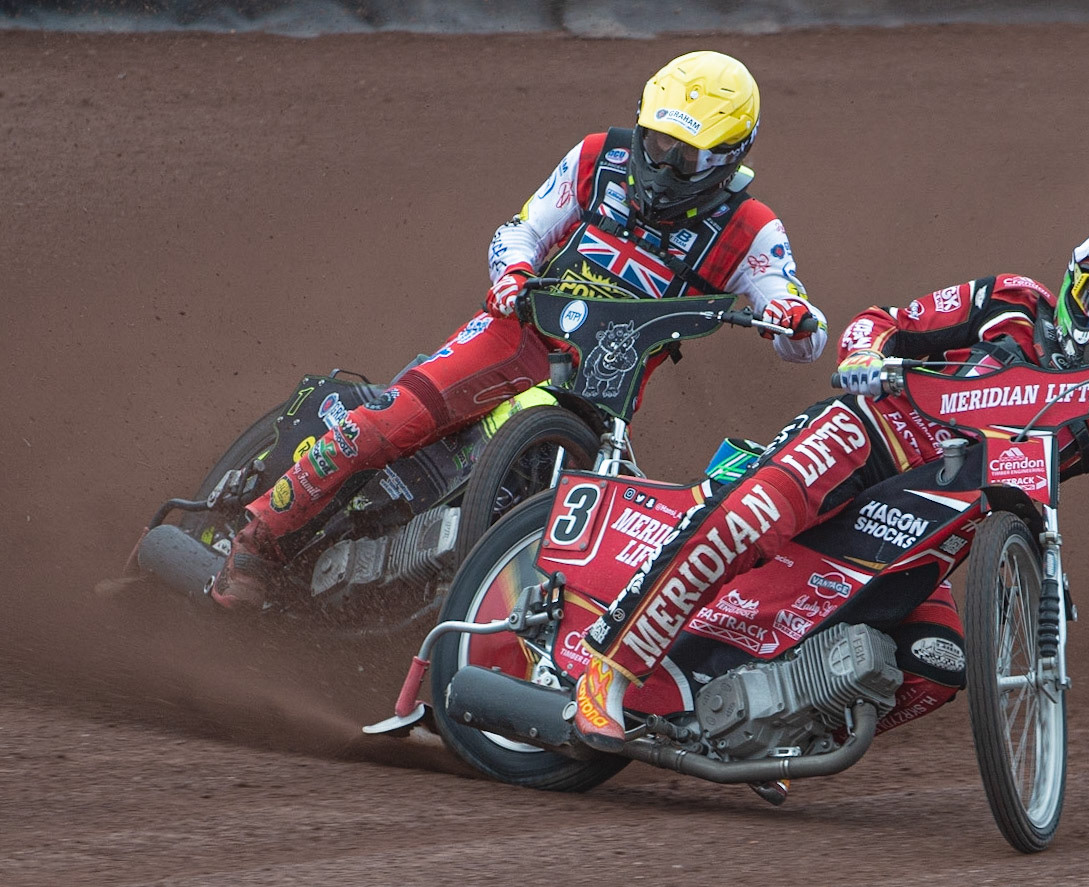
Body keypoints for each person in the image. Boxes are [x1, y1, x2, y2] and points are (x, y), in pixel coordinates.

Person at [569, 219, 1089, 751]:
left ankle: (774, 733)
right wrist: (865, 354)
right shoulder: (1010, 301)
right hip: (874, 434)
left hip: (934, 529)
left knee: (939, 663)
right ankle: (609, 670)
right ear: (1070, 285)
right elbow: (884, 320)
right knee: (752, 516)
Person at [211, 50, 827, 608]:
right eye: (658, 141)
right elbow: (522, 230)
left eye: (685, 154)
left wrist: (792, 321)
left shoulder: (752, 229)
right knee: (386, 423)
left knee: (602, 533)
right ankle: (255, 542)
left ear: (730, 155)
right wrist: (513, 271)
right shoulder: (599, 157)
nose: (663, 163)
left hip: (604, 387)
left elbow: (801, 325)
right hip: (517, 334)